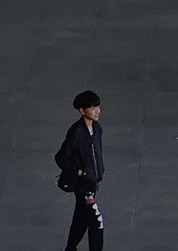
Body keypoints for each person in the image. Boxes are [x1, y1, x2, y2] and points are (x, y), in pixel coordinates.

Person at [56, 91, 105, 249]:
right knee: (96, 221)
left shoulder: (97, 128)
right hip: (83, 186)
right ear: (82, 111)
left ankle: (70, 248)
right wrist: (79, 172)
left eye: (98, 107)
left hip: (92, 182)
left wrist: (98, 171)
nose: (97, 111)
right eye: (92, 108)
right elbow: (61, 157)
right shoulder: (76, 132)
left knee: (81, 219)